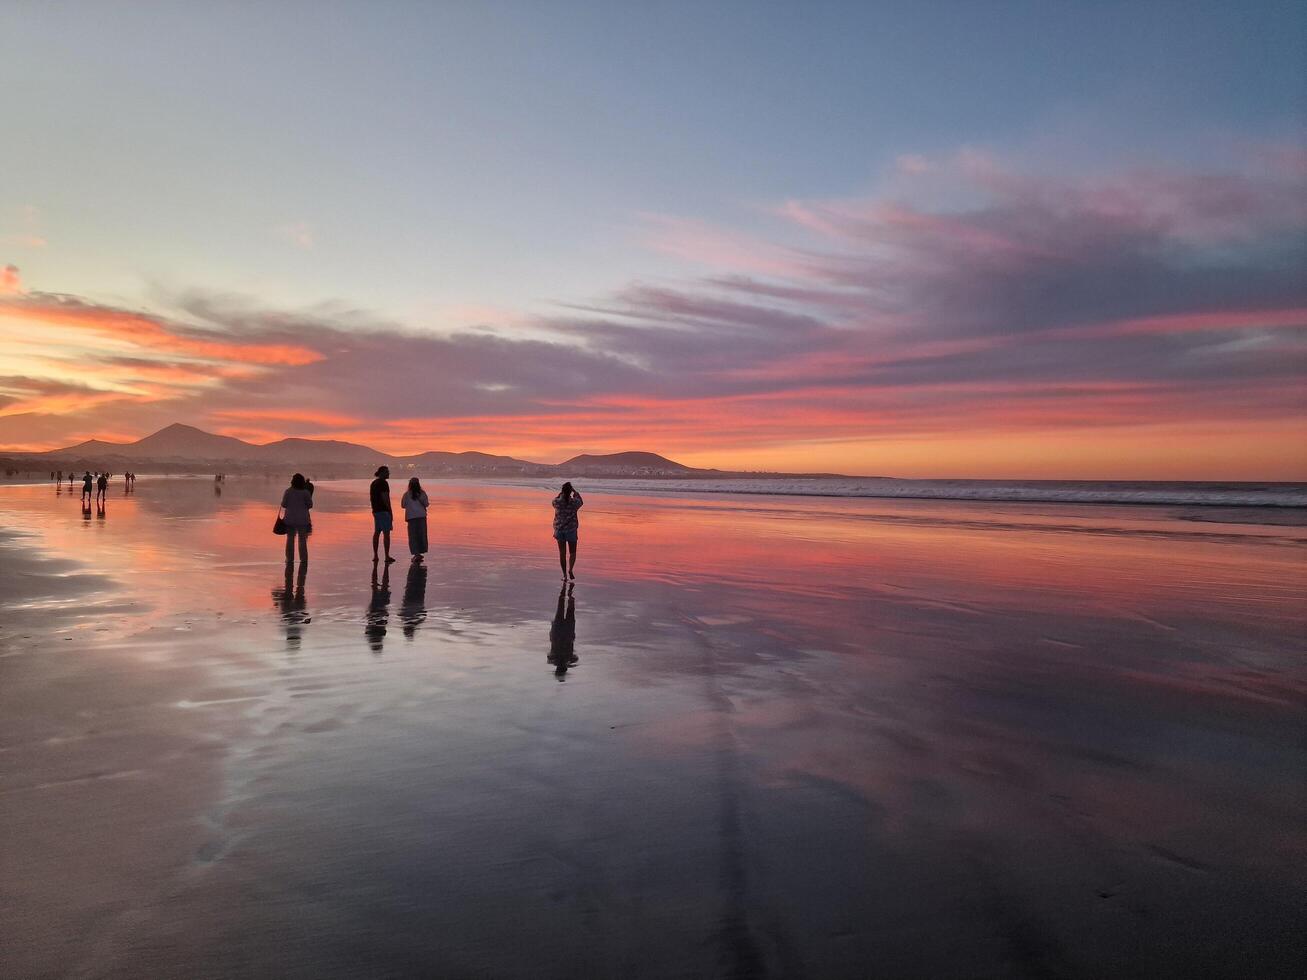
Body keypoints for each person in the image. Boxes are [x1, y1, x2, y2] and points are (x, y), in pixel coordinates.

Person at [551, 482, 584, 580]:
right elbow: (581, 502)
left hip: (560, 530)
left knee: (562, 553)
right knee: (572, 552)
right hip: (571, 530)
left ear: (562, 491)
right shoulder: (574, 502)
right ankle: (570, 570)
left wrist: (560, 494)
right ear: (570, 491)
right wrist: (575, 492)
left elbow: (554, 500)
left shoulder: (557, 502)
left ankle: (564, 575)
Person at [280, 472, 314, 564]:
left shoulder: (288, 491)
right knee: (302, 540)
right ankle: (303, 560)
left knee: (290, 539)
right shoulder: (305, 493)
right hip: (303, 520)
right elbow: (310, 505)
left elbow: (283, 504)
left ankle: (289, 559)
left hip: (290, 519)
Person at [548, 583, 578, 679]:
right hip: (561, 632)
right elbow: (575, 658)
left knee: (567, 609)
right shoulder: (554, 660)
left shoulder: (560, 659)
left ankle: (568, 591)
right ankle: (567, 590)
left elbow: (575, 658)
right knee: (563, 608)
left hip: (564, 632)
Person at [401, 476, 429, 564]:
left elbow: (403, 505)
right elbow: (426, 504)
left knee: (413, 536)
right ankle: (419, 552)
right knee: (421, 535)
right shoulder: (422, 493)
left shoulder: (406, 494)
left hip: (411, 517)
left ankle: (416, 553)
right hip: (421, 516)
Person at [370, 466, 395, 564]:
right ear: (381, 473)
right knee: (386, 534)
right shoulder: (384, 483)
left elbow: (372, 498)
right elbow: (385, 498)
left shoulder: (373, 483)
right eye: (387, 472)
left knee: (377, 532)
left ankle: (375, 555)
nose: (388, 474)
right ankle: (387, 556)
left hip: (376, 510)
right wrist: (390, 511)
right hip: (383, 511)